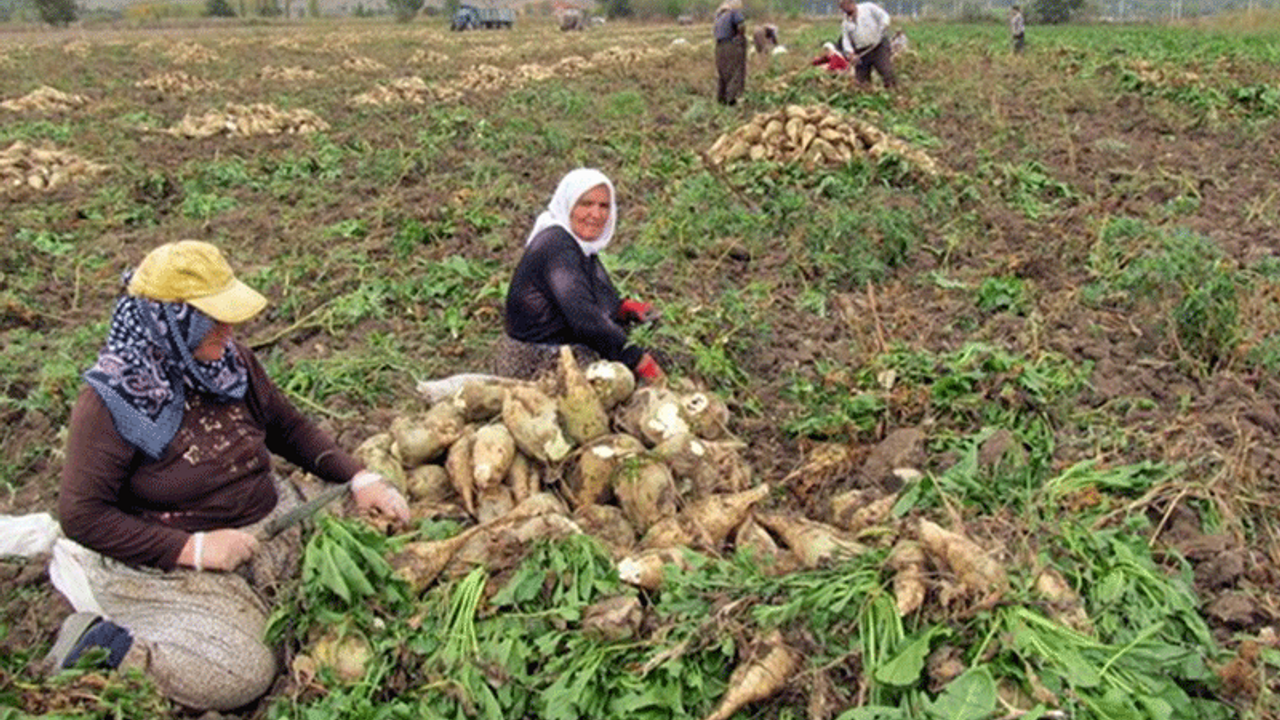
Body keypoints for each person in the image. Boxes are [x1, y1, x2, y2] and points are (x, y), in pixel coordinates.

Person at [47, 240, 410, 711]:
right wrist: (193, 549)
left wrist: (359, 479)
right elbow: (81, 514)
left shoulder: (229, 361)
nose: (230, 327)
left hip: (269, 519)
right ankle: (108, 647)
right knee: (241, 673)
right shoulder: (112, 399)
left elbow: (287, 427)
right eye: (213, 318)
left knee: (383, 538)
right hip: (171, 567)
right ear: (171, 322)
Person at [496, 168, 665, 383]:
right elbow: (586, 320)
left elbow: (590, 293)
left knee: (652, 343)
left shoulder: (580, 247)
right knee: (620, 380)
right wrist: (639, 361)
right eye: (586, 204)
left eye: (604, 206)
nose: (596, 214)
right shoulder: (556, 245)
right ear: (568, 204)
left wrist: (623, 308)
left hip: (560, 345)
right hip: (536, 359)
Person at [839, 0, 895, 89]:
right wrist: (850, 53)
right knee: (861, 81)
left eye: (848, 3)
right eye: (843, 5)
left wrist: (884, 25)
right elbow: (846, 40)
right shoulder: (845, 23)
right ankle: (867, 94)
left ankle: (893, 92)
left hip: (878, 46)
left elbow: (884, 16)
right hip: (862, 52)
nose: (847, 6)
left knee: (886, 71)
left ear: (853, 2)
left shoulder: (868, 8)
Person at [713, 0, 747, 105]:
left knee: (723, 73)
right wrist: (740, 36)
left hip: (719, 47)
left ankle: (721, 98)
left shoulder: (719, 16)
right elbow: (741, 26)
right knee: (735, 72)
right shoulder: (734, 12)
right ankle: (732, 100)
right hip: (732, 45)